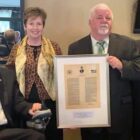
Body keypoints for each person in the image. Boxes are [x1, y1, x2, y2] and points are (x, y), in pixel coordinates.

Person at [68, 3, 140, 140]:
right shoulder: (76, 48)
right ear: (90, 22)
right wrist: (72, 115)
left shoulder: (129, 44)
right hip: (89, 119)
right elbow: (72, 84)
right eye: (99, 17)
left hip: (120, 115)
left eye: (108, 18)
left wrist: (122, 65)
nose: (104, 21)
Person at [6, 7, 63, 140]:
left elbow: (61, 75)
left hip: (50, 104)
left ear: (43, 26)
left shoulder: (54, 47)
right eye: (31, 23)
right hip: (25, 105)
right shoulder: (17, 49)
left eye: (39, 23)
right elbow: (10, 77)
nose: (35, 27)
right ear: (25, 26)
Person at [0, 65, 45, 140]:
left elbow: (17, 102)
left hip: (5, 129)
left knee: (36, 137)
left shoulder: (7, 75)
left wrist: (30, 108)